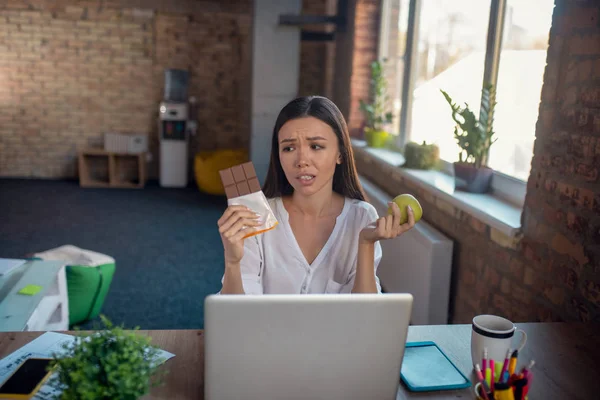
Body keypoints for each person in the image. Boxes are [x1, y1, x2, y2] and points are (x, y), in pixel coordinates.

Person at [217, 96, 415, 295]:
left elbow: (366, 316)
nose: (301, 160)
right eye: (289, 148)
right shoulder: (255, 218)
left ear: (340, 154)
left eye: (316, 146)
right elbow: (236, 316)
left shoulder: (362, 217)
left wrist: (366, 243)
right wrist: (233, 263)